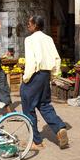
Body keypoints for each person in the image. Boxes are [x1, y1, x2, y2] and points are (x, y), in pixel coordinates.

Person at [20, 16, 69, 150]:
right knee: (44, 105)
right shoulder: (48, 39)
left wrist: (26, 78)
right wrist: (53, 75)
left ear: (35, 25)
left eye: (29, 23)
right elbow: (56, 58)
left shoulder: (29, 39)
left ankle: (36, 141)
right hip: (45, 75)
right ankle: (59, 128)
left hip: (34, 76)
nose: (27, 25)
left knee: (28, 108)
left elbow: (31, 61)